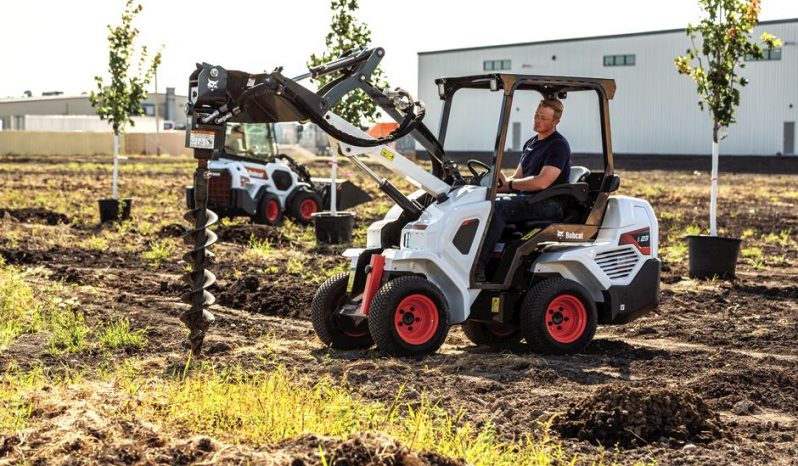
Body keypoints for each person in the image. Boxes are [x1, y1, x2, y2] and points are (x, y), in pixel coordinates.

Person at [475, 98, 571, 282]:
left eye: (543, 118)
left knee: (499, 207)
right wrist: (499, 185)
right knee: (484, 201)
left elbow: (543, 182)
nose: (537, 120)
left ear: (556, 121)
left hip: (550, 202)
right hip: (530, 199)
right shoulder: (530, 143)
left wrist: (510, 186)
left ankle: (478, 269)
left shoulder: (558, 145)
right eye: (536, 115)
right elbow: (518, 177)